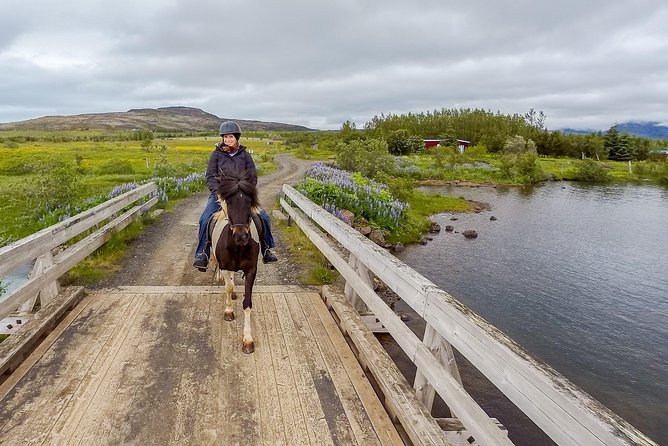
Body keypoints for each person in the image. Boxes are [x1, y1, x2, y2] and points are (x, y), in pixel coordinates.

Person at [193, 120, 278, 271]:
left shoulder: (245, 155)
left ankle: (266, 249)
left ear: (237, 138)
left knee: (263, 217)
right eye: (225, 137)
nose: (228, 140)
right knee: (205, 219)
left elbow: (253, 176)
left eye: (230, 137)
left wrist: (246, 191)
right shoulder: (216, 155)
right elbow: (210, 176)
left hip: (241, 197)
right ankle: (202, 253)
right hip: (221, 195)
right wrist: (217, 192)